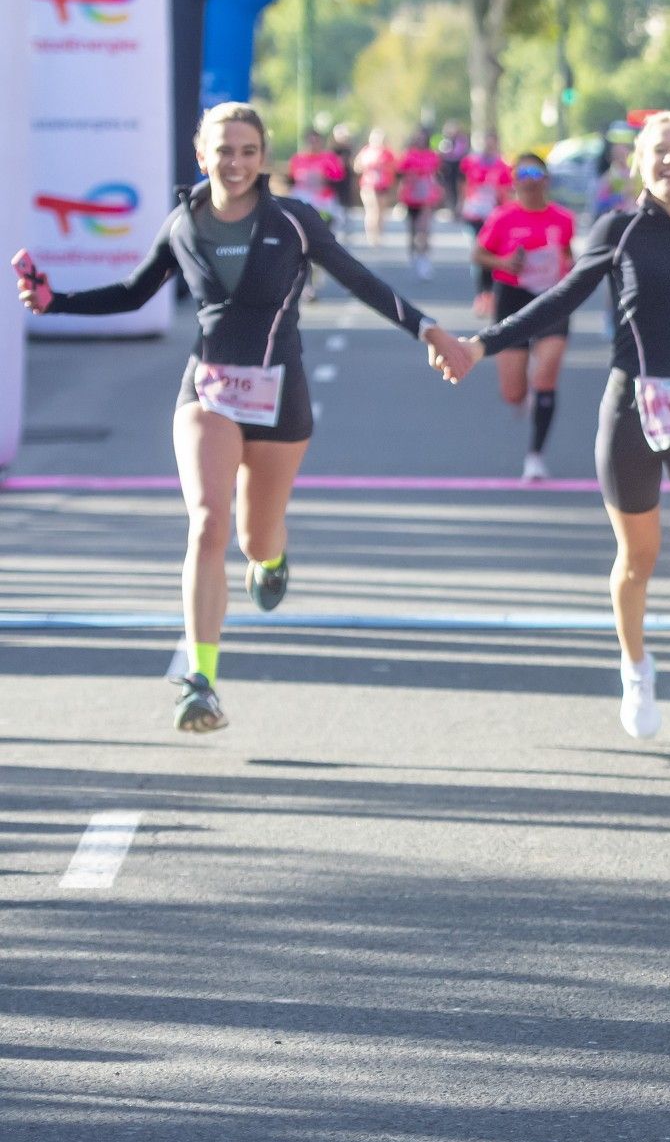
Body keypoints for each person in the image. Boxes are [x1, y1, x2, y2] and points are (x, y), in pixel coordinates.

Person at [12, 102, 471, 733]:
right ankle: (200, 681)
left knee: (257, 537)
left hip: (281, 398)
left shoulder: (293, 220)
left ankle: (273, 559)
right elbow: (133, 291)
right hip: (207, 393)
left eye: (248, 151)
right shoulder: (183, 224)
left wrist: (428, 329)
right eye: (223, 150)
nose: (235, 162)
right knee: (207, 524)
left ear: (264, 158)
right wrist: (53, 300)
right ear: (202, 155)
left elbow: (358, 278)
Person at [434, 111, 670, 738]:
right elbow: (560, 298)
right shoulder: (618, 230)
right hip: (631, 409)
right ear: (639, 162)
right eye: (660, 151)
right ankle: (636, 669)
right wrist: (484, 343)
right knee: (637, 556)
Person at [471, 152, 576, 482]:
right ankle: (525, 391)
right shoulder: (502, 218)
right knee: (513, 393)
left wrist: (568, 266)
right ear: (514, 183)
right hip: (513, 298)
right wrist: (504, 263)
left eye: (536, 173)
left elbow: (570, 255)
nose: (529, 181)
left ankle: (535, 456)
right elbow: (478, 254)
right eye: (522, 175)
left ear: (546, 179)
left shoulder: (563, 218)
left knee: (546, 377)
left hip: (551, 299)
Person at [286, 129, 346, 301]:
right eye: (310, 141)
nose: (313, 145)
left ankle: (319, 267)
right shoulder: (297, 160)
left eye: (316, 141)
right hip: (303, 205)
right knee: (304, 246)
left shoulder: (329, 159)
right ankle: (308, 286)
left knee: (321, 243)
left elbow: (339, 181)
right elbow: (291, 181)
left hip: (324, 206)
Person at [460, 133, 513, 317]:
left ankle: (490, 295)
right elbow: (464, 183)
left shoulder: (503, 166)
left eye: (491, 143)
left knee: (490, 256)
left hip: (493, 217)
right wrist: (461, 204)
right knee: (477, 253)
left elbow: (506, 191)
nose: (488, 146)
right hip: (473, 213)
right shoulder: (471, 162)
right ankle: (480, 294)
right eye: (486, 142)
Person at [397, 129, 444, 279]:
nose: (421, 141)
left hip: (426, 197)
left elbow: (437, 175)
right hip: (411, 197)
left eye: (423, 139)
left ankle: (424, 260)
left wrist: (438, 192)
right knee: (412, 231)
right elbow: (400, 174)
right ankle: (413, 254)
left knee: (423, 230)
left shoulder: (433, 156)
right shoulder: (408, 155)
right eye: (418, 138)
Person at [352, 127, 397, 247]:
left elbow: (394, 168)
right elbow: (357, 167)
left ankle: (379, 232)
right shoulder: (366, 151)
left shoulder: (387, 153)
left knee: (381, 212)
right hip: (368, 185)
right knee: (372, 210)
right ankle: (372, 235)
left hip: (384, 186)